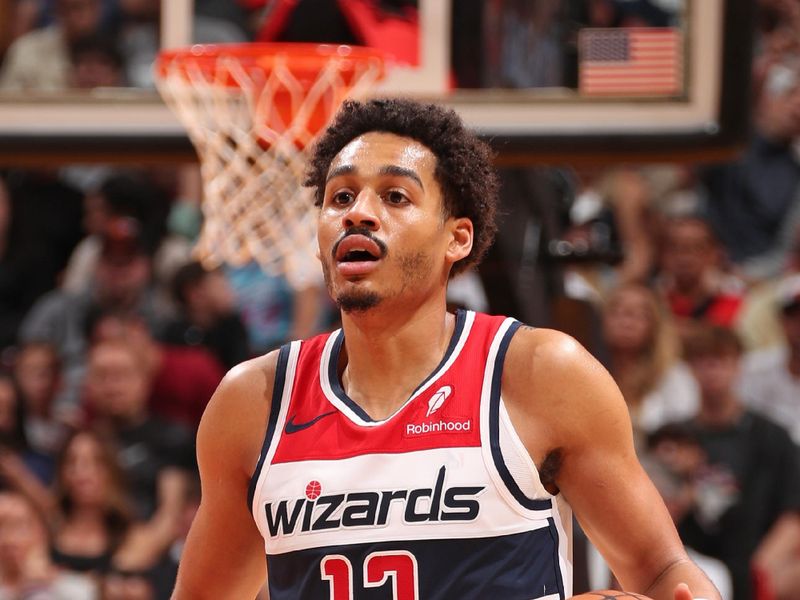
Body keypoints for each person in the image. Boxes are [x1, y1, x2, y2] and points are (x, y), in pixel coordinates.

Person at [172, 98, 719, 599]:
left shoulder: (539, 375)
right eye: (340, 197)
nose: (357, 213)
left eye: (395, 196)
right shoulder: (253, 402)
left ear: (456, 238)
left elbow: (664, 568)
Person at [676, 325, 800, 600]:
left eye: (720, 360)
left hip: (761, 558)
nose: (712, 370)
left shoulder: (772, 435)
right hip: (692, 561)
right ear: (690, 369)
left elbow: (794, 512)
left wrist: (761, 568)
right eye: (702, 361)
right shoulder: (671, 438)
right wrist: (679, 483)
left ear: (738, 366)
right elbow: (657, 513)